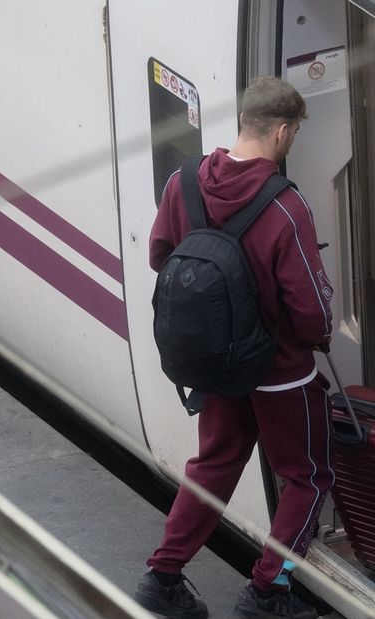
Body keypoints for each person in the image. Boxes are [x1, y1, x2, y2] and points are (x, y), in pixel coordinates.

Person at [134, 77, 336, 619]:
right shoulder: (286, 207)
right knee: (307, 477)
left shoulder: (184, 184)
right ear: (283, 130)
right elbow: (311, 309)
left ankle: (162, 578)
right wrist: (321, 334)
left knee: (215, 463)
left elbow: (161, 257)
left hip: (217, 364)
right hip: (279, 374)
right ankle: (270, 590)